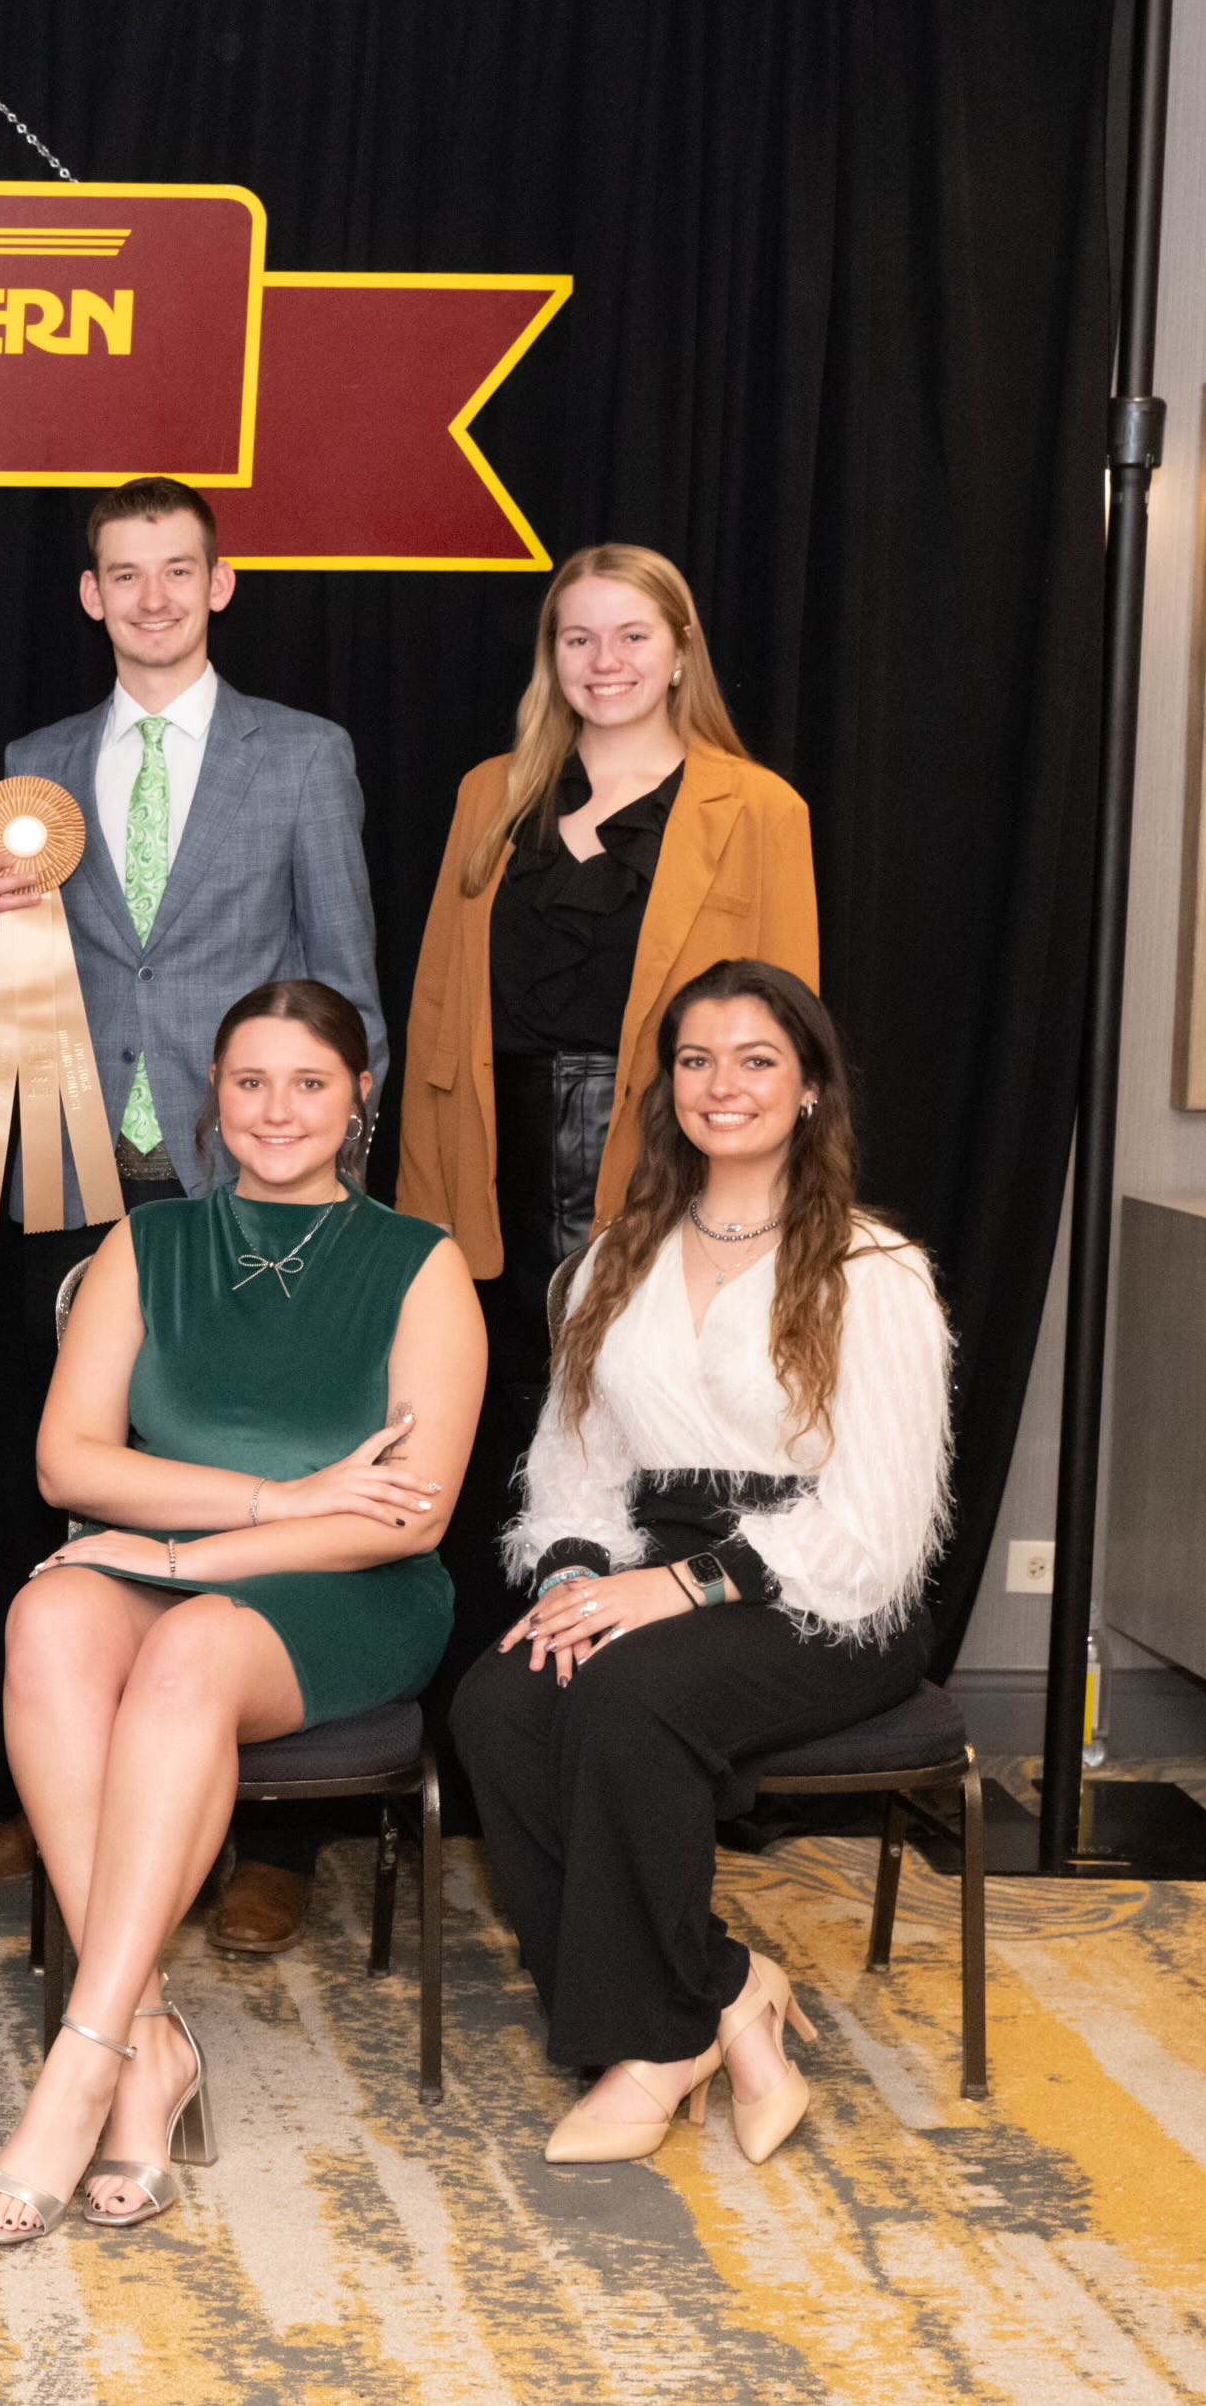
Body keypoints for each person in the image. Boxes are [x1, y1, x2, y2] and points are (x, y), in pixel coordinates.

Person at [0, 475, 390, 1950]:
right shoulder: (36, 761)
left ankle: (276, 1828)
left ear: (220, 582)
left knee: (261, 1460)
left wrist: (341, 1199)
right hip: (67, 1165)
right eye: (121, 572)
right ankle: (56, 1769)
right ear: (89, 593)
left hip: (245, 1169)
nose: (148, 595)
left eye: (174, 569)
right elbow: (4, 978)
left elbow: (344, 984)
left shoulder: (301, 755)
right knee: (71, 1468)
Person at [0, 981, 484, 2243]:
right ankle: (145, 2039)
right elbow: (66, 1465)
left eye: (308, 1081)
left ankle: (82, 2059)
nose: (275, 1109)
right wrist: (266, 1493)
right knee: (46, 1624)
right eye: (248, 1081)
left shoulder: (419, 1263)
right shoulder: (151, 1245)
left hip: (345, 1586)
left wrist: (197, 1556)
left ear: (358, 1096)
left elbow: (404, 1515)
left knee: (187, 1647)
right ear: (213, 1095)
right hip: (179, 1551)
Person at [450, 961, 950, 2169]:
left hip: (823, 1589)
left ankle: (657, 2043)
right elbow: (574, 1468)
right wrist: (577, 1577)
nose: (719, 1085)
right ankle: (722, 1987)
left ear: (812, 1088)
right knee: (500, 1702)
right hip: (648, 1564)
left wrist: (675, 1588)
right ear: (663, 1086)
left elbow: (874, 1525)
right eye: (693, 1059)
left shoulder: (870, 1272)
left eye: (755, 1059)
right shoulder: (607, 1262)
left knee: (629, 1695)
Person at [397, 544, 817, 1703]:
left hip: (661, 1162)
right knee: (495, 1442)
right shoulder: (491, 792)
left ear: (680, 649)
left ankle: (636, 1721)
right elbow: (439, 1002)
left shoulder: (757, 806)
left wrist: (743, 1200)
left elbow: (776, 1034)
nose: (604, 660)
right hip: (492, 1165)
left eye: (631, 635)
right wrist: (424, 1204)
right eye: (576, 637)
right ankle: (482, 1724)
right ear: (550, 657)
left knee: (637, 1432)